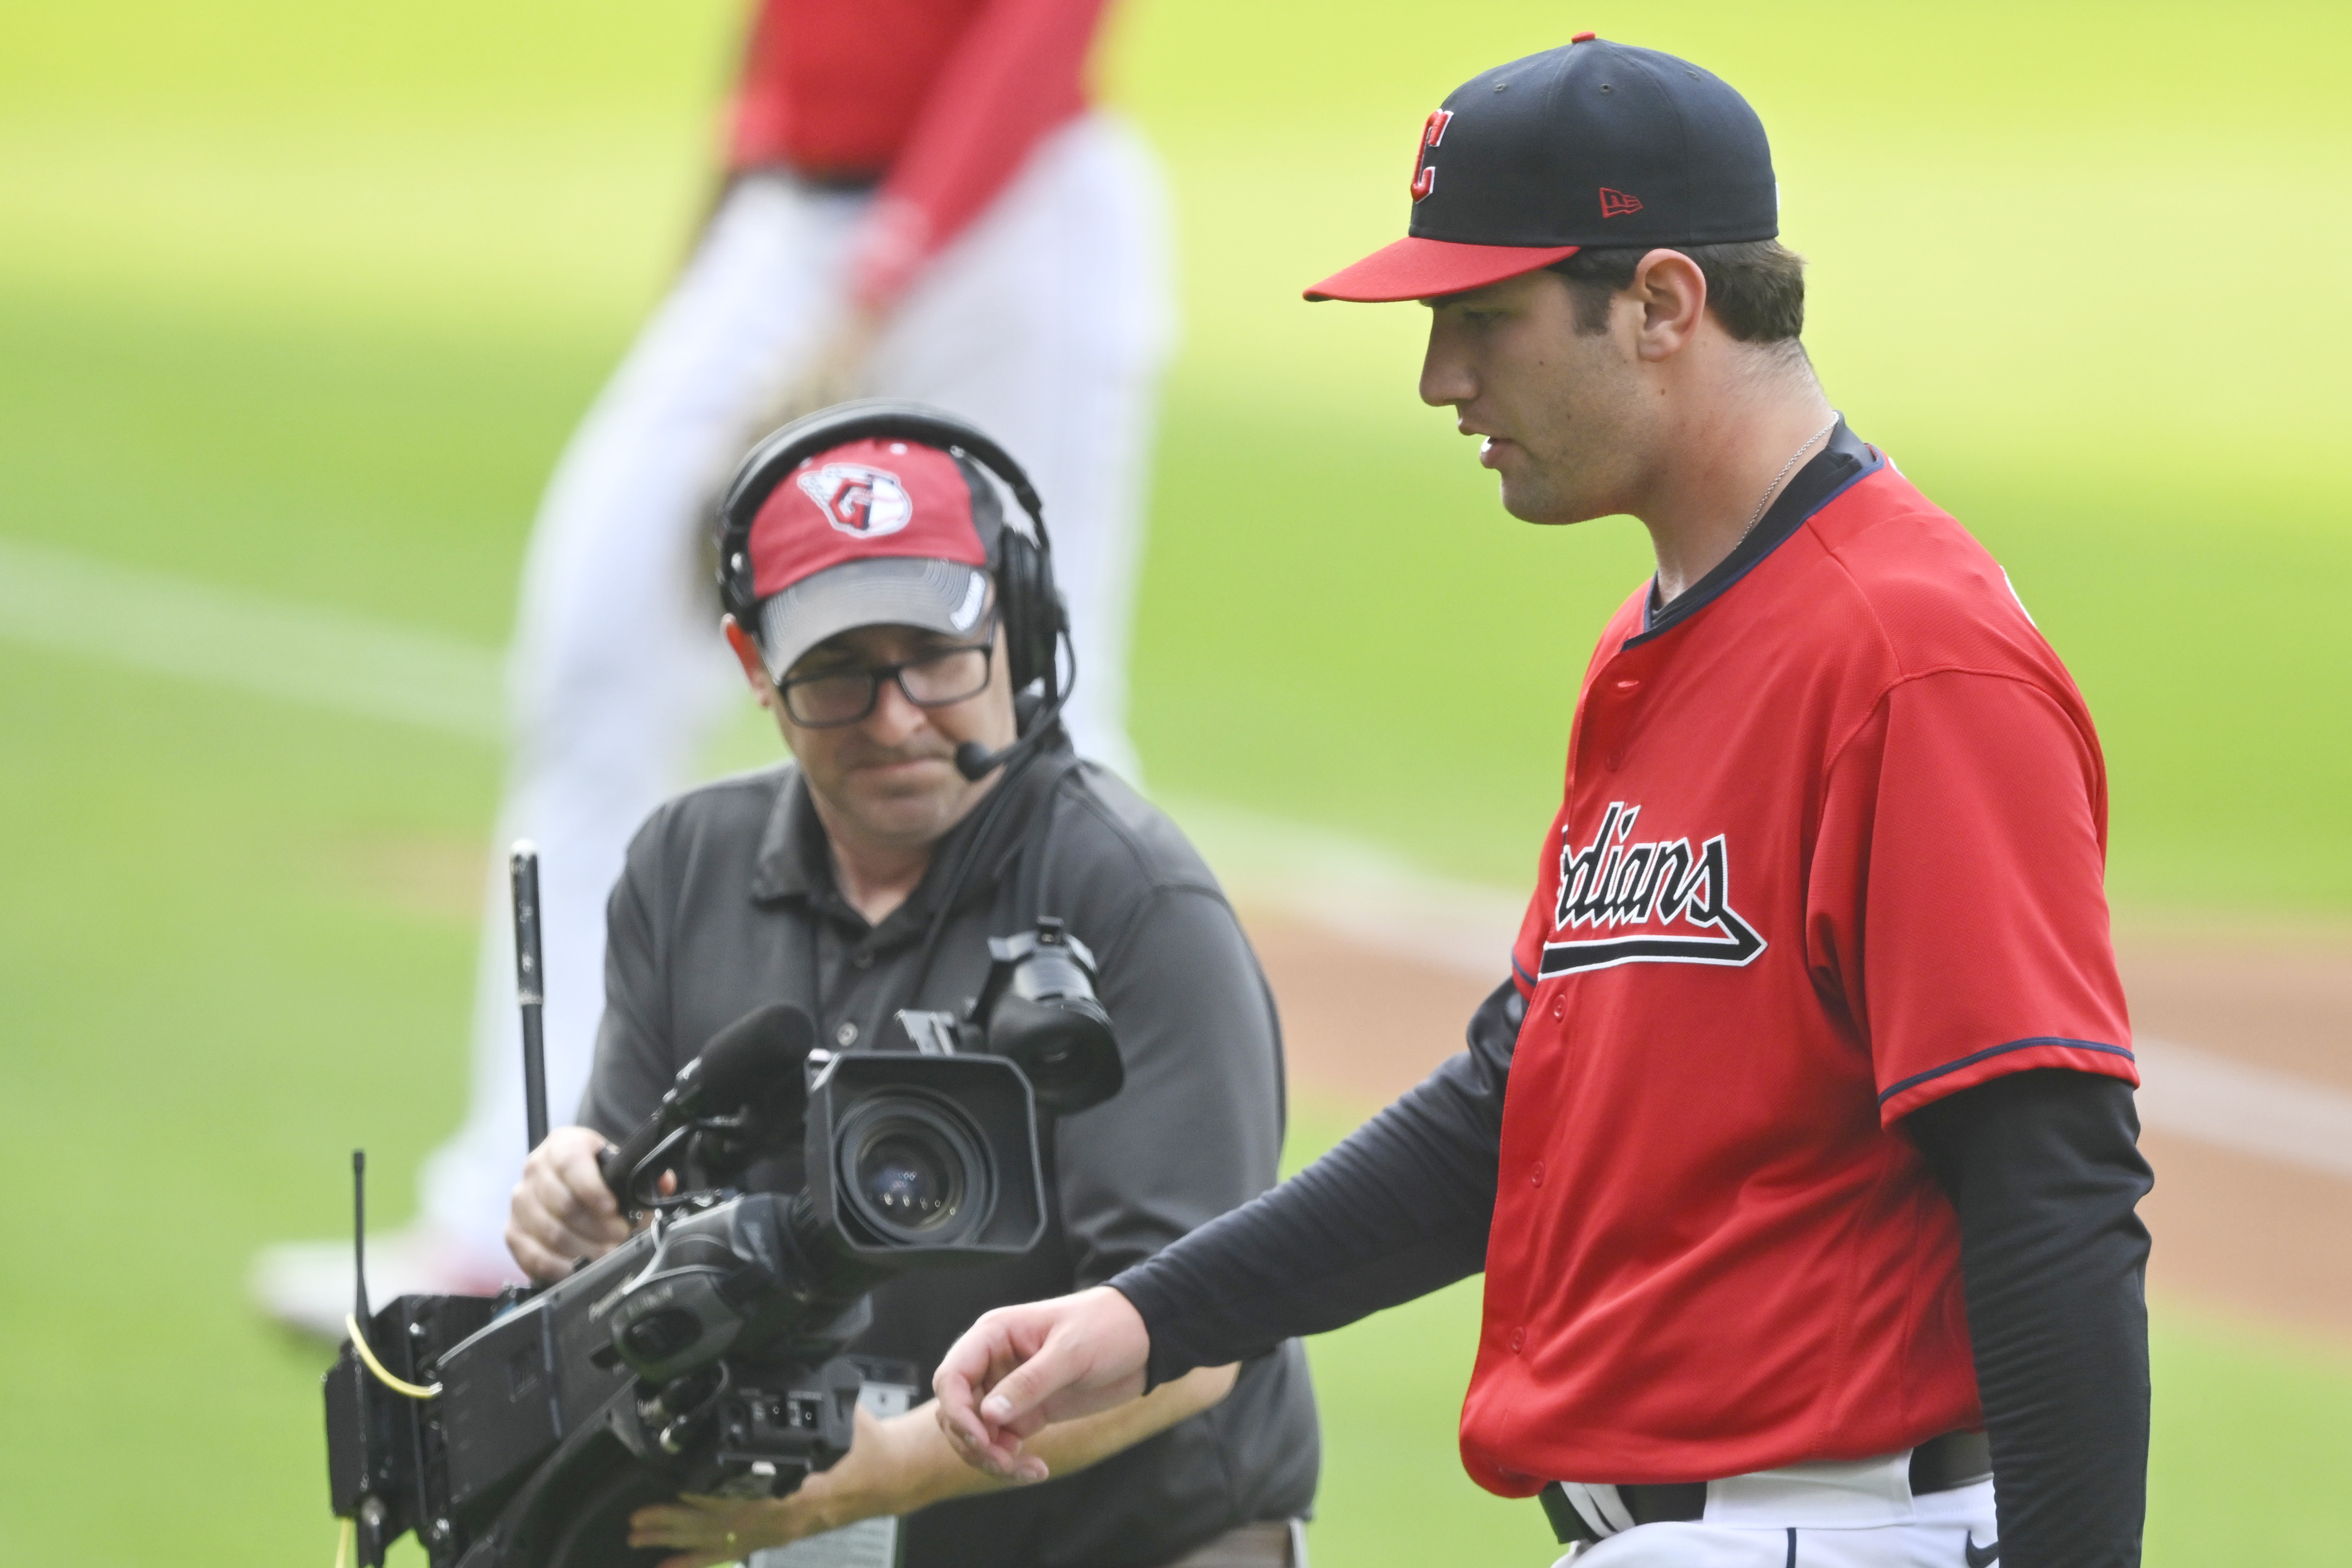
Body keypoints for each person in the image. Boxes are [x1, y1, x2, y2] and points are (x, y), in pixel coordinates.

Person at [929, 37, 2152, 1568]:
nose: (1440, 378)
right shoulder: (1665, 633)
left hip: (1832, 1533)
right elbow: (1519, 1108)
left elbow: (2050, 1176)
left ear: (1659, 306)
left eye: (1481, 319)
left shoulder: (1908, 656)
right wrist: (1147, 1314)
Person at [253, 0, 1174, 1318]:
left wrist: (874, 291)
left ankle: (1114, 1233)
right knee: (597, 657)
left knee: (1038, 702)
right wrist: (724, 227)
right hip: (792, 214)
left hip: (1016, 214)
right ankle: (519, 1218)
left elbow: (1037, 28)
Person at [505, 407, 1316, 1568]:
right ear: (755, 667)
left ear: (1016, 629)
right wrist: (579, 1196)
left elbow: (1199, 1333)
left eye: (936, 656)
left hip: (1134, 1542)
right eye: (836, 670)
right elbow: (641, 1220)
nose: (896, 720)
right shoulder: (685, 868)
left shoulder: (1132, 901)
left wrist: (890, 1465)